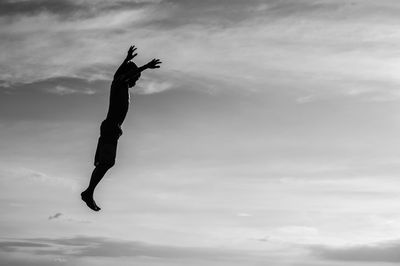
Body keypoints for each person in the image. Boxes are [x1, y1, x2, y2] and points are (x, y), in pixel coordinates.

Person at [81, 45, 162, 211]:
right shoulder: (119, 84)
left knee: (106, 163)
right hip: (111, 127)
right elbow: (123, 75)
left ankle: (89, 192)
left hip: (113, 129)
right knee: (106, 162)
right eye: (136, 79)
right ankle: (88, 192)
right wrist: (145, 66)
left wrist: (127, 59)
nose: (135, 82)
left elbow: (120, 73)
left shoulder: (120, 84)